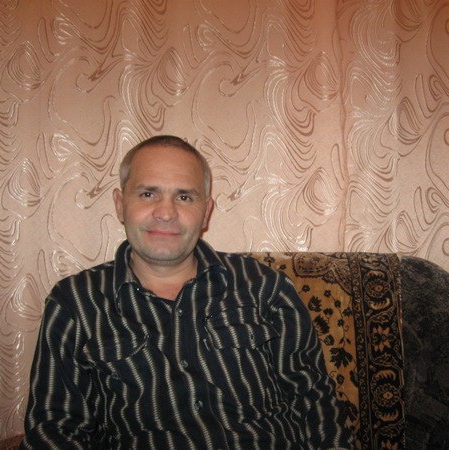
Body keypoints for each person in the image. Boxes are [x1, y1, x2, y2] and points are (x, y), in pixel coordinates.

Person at [21, 135, 351, 449]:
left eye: (184, 197)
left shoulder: (265, 287)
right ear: (120, 205)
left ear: (206, 212)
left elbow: (313, 398)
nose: (166, 213)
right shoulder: (75, 304)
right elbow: (55, 429)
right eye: (147, 194)